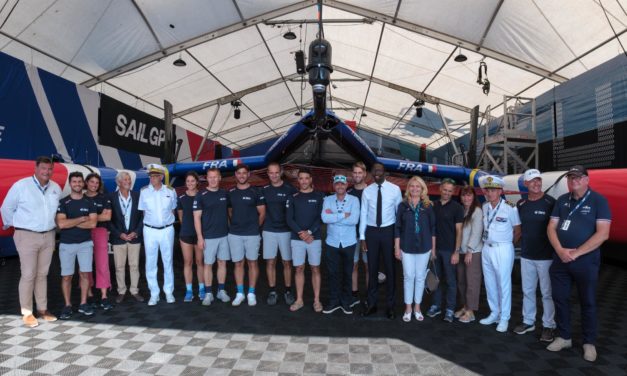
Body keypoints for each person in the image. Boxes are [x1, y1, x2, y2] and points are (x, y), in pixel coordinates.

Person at [546, 165, 611, 362]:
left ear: (586, 180)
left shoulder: (599, 200)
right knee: (560, 298)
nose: (573, 180)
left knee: (588, 302)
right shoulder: (562, 200)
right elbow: (551, 227)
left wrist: (576, 253)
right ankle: (564, 336)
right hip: (560, 259)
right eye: (570, 177)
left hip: (585, 261)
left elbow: (603, 233)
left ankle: (588, 342)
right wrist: (559, 250)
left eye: (577, 177)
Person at [1, 156, 62, 327]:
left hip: (48, 235)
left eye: (49, 169)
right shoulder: (21, 185)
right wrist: (15, 226)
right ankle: (27, 312)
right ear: (36, 168)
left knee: (42, 274)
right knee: (28, 274)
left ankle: (42, 309)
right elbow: (6, 208)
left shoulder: (55, 187)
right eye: (43, 168)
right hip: (26, 235)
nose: (46, 172)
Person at [513, 169, 556, 342]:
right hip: (527, 255)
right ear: (526, 184)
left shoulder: (550, 202)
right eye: (532, 181)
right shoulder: (521, 204)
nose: (536, 183)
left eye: (538, 180)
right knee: (528, 291)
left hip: (546, 256)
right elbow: (518, 229)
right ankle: (528, 321)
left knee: (547, 293)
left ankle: (548, 325)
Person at [478, 175, 521, 333]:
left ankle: (504, 317)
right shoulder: (484, 207)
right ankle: (494, 313)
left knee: (503, 284)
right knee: (490, 283)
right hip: (487, 248)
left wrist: (508, 245)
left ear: (500, 191)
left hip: (503, 248)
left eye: (493, 190)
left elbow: (517, 231)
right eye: (487, 190)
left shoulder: (510, 207)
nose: (489, 193)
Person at [360, 163, 402, 319]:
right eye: (374, 171)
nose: (376, 173)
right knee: (372, 269)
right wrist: (362, 237)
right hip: (371, 232)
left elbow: (399, 215)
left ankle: (391, 306)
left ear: (385, 173)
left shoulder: (395, 190)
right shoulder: (367, 191)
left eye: (379, 171)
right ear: (370, 173)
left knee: (391, 270)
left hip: (388, 231)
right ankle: (371, 304)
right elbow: (363, 214)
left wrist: (398, 238)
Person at [56, 172, 98, 319]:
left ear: (83, 183)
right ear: (70, 183)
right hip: (67, 245)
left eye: (80, 181)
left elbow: (92, 223)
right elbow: (61, 224)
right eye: (74, 182)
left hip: (85, 244)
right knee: (67, 276)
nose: (78, 184)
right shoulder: (63, 202)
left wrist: (71, 222)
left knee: (85, 274)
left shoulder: (89, 202)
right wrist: (80, 219)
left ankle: (83, 303)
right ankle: (67, 305)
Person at [394, 176, 436, 323]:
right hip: (406, 247)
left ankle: (417, 307)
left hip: (424, 247)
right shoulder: (402, 206)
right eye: (412, 186)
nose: (415, 189)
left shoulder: (428, 205)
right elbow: (397, 228)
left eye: (418, 186)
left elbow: (433, 229)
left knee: (420, 278)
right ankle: (408, 308)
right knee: (408, 277)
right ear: (408, 188)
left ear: (422, 188)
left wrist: (433, 250)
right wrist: (397, 248)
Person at [286, 168, 325, 312]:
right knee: (299, 268)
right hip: (297, 239)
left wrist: (308, 233)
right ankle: (299, 299)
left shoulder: (319, 196)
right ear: (298, 180)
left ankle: (316, 300)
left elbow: (320, 218)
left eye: (306, 178)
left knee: (315, 268)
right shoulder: (293, 197)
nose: (303, 181)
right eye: (301, 178)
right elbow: (289, 219)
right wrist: (301, 234)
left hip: (314, 238)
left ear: (311, 179)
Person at [138, 163, 178, 306]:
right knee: (151, 262)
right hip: (150, 230)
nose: (152, 178)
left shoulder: (171, 191)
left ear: (161, 177)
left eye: (155, 176)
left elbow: (172, 210)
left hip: (167, 229)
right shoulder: (144, 192)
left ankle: (168, 292)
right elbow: (143, 213)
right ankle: (154, 293)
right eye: (150, 176)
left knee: (167, 261)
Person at [321, 175, 360, 315]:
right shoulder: (327, 200)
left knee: (347, 273)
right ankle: (333, 301)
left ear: (346, 185)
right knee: (332, 273)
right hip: (332, 242)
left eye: (342, 184)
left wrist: (334, 216)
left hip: (349, 242)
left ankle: (346, 302)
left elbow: (354, 220)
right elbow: (325, 218)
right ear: (333, 185)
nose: (339, 186)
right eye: (337, 184)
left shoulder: (354, 200)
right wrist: (344, 215)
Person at [228, 165, 265, 306]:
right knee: (238, 263)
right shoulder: (230, 192)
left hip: (252, 234)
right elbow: (230, 212)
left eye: (244, 173)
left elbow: (262, 213)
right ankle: (239, 293)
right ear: (235, 175)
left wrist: (255, 228)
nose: (242, 176)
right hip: (235, 234)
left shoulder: (256, 191)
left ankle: (251, 293)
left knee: (252, 262)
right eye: (239, 173)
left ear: (249, 174)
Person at [427, 178, 464, 322]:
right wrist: (431, 249)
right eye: (445, 190)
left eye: (450, 191)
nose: (447, 193)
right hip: (435, 249)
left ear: (453, 192)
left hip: (450, 251)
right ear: (440, 189)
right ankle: (436, 306)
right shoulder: (432, 205)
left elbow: (459, 230)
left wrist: (456, 251)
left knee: (450, 281)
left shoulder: (457, 208)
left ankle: (449, 309)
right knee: (435, 279)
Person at [193, 168, 231, 305]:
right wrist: (200, 237)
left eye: (216, 177)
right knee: (208, 264)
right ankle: (208, 293)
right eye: (210, 177)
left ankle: (221, 291)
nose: (213, 179)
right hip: (208, 236)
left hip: (224, 235)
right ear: (206, 179)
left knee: (222, 263)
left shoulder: (224, 193)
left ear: (220, 178)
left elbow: (229, 213)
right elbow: (196, 218)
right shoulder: (201, 195)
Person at [261, 162, 297, 306]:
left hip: (286, 231)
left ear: (281, 172)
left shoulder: (290, 189)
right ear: (268, 173)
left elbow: (296, 209)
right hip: (269, 230)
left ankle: (288, 290)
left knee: (287, 262)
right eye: (271, 173)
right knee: (270, 262)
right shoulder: (264, 190)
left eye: (277, 172)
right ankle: (272, 291)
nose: (274, 175)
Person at [109, 171, 144, 304]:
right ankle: (121, 291)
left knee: (134, 265)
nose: (128, 182)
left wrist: (136, 232)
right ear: (118, 182)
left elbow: (142, 217)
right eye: (125, 180)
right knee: (119, 266)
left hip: (134, 237)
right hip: (119, 238)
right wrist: (119, 234)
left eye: (129, 180)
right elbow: (109, 220)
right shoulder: (111, 197)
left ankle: (134, 290)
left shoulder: (137, 196)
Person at [84, 173, 113, 311]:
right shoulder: (81, 198)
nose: (94, 185)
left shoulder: (104, 197)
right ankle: (89, 294)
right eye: (92, 182)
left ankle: (104, 296)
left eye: (97, 182)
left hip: (100, 231)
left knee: (102, 264)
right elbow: (76, 215)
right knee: (85, 264)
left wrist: (88, 218)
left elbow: (107, 217)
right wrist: (97, 217)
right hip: (84, 232)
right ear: (87, 183)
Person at [455, 185, 483, 324]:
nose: (466, 198)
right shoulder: (462, 210)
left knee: (472, 282)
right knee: (461, 281)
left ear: (473, 196)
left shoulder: (477, 211)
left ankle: (471, 311)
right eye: (464, 195)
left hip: (472, 252)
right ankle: (465, 306)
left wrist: (470, 250)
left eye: (469, 195)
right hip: (461, 252)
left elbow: (477, 232)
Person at [177, 171, 205, 302]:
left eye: (192, 181)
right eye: (188, 181)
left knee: (200, 262)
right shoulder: (181, 198)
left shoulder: (202, 196)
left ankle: (202, 289)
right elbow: (181, 218)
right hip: (186, 234)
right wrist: (187, 228)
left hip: (199, 235)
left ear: (197, 182)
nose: (190, 183)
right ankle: (189, 291)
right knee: (188, 262)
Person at [347, 161, 369, 307]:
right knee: (353, 265)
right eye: (355, 173)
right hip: (352, 235)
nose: (357, 175)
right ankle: (354, 294)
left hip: (368, 236)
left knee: (369, 266)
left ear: (365, 174)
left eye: (359, 173)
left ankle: (368, 295)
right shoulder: (348, 192)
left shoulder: (371, 191)